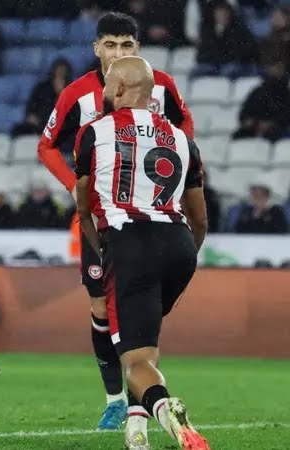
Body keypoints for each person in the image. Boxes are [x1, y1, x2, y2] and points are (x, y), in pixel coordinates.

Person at [36, 11, 194, 435]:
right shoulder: (77, 93)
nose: (118, 52)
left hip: (149, 220)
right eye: (110, 45)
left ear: (137, 49)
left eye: (126, 45)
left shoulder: (161, 85)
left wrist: (182, 175)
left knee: (136, 314)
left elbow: (185, 129)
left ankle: (140, 406)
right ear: (96, 48)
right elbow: (47, 145)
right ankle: (115, 401)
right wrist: (74, 186)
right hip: (101, 218)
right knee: (100, 308)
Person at [74, 56, 210, 450]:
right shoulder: (184, 139)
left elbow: (84, 209)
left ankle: (166, 409)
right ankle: (136, 432)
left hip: (129, 242)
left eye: (106, 86)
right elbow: (200, 219)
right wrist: (185, 255)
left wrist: (108, 252)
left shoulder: (94, 131)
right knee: (145, 347)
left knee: (133, 359)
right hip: (179, 244)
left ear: (117, 89)